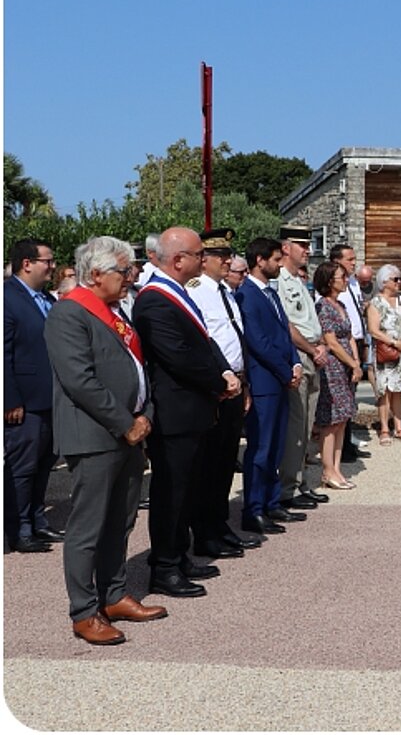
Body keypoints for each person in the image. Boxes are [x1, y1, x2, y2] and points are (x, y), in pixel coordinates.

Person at [47, 236, 167, 645]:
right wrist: (125, 421)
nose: (130, 277)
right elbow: (80, 380)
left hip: (128, 433)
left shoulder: (116, 311)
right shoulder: (70, 313)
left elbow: (136, 367)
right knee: (88, 527)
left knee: (121, 520)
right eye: (123, 271)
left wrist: (144, 414)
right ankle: (84, 611)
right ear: (95, 274)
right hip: (95, 435)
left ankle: (113, 594)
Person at [133, 227, 241, 598]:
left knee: (188, 489)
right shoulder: (153, 300)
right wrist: (217, 381)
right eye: (197, 254)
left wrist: (224, 371)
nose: (202, 259)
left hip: (193, 409)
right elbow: (177, 355)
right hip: (175, 413)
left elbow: (204, 340)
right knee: (171, 493)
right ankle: (163, 567)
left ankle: (177, 556)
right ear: (178, 260)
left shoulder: (179, 293)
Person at [182, 228, 254, 558]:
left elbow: (235, 338)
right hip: (216, 389)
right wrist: (220, 379)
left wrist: (245, 382)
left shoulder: (224, 290)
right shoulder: (197, 291)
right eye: (220, 256)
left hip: (236, 385)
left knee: (226, 461)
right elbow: (205, 342)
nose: (228, 260)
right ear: (205, 259)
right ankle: (205, 531)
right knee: (208, 464)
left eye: (229, 255)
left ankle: (219, 524)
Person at [232, 238, 302, 537]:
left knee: (275, 445)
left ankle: (272, 501)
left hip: (281, 377)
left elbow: (285, 332)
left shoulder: (270, 293)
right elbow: (257, 341)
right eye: (274, 259)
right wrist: (285, 369)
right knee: (260, 448)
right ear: (259, 260)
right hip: (264, 380)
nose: (278, 264)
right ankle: (254, 508)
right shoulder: (247, 294)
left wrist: (296, 361)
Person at [5, 238, 61, 553]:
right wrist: (10, 400)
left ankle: (38, 522)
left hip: (49, 399)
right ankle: (19, 528)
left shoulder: (46, 300)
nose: (52, 266)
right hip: (23, 403)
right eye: (47, 261)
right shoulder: (7, 297)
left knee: (42, 465)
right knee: (21, 467)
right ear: (27, 263)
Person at [276, 225, 326, 515]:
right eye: (301, 245)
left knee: (306, 425)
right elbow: (287, 324)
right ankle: (287, 488)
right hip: (300, 355)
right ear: (286, 248)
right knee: (296, 425)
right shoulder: (280, 281)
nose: (307, 249)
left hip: (313, 352)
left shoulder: (298, 280)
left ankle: (300, 481)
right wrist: (311, 349)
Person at [313, 262, 361, 489]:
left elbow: (349, 335)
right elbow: (331, 341)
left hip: (347, 366)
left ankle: (337, 468)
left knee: (343, 419)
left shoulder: (340, 304)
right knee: (331, 420)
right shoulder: (323, 306)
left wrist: (356, 363)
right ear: (329, 280)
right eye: (341, 276)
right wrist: (352, 363)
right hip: (333, 367)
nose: (345, 279)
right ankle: (327, 470)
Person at [367, 264, 401, 443]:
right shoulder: (376, 303)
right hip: (386, 353)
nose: (399, 282)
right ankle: (384, 429)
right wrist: (396, 343)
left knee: (399, 391)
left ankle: (399, 427)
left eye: (399, 279)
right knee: (385, 391)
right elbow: (373, 330)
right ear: (384, 281)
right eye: (395, 279)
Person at [332, 246, 372, 462]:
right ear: (337, 261)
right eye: (350, 259)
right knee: (342, 397)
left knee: (351, 395)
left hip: (357, 340)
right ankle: (342, 447)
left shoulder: (353, 283)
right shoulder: (332, 283)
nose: (353, 263)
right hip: (341, 343)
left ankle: (347, 442)